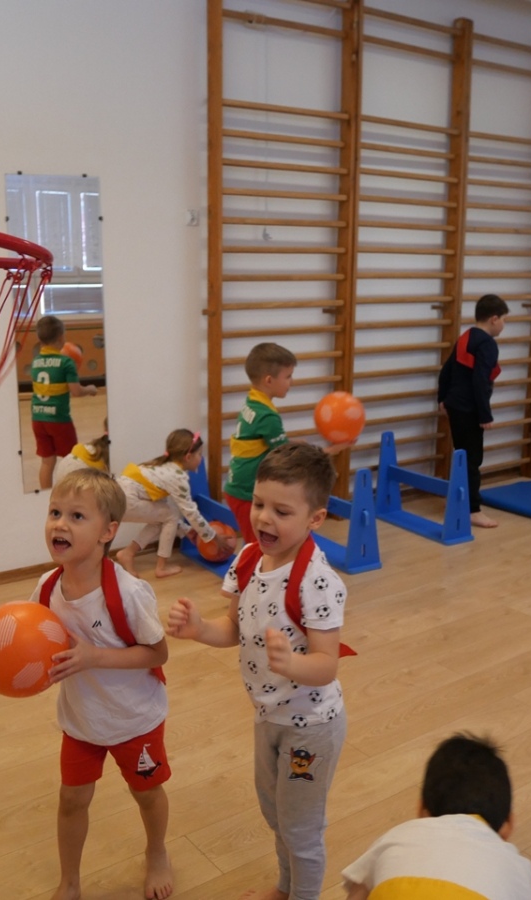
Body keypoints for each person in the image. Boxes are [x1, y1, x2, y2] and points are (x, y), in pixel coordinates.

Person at [169, 442, 348, 900]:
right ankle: (286, 888)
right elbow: (232, 627)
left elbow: (327, 665)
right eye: (259, 504)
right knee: (275, 815)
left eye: (282, 511)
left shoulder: (318, 581)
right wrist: (199, 629)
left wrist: (293, 663)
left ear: (315, 519)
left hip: (312, 726)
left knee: (301, 827)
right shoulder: (248, 559)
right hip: (268, 715)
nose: (264, 518)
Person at [34, 468, 173, 900]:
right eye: (55, 512)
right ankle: (70, 881)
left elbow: (157, 653)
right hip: (81, 721)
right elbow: (39, 644)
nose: (60, 523)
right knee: (71, 800)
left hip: (135, 719)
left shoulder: (130, 593)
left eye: (77, 516)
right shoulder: (46, 588)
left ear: (107, 532)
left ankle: (157, 852)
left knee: (146, 793)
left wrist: (94, 656)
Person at [341, 733, 531, 899]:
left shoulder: (398, 837)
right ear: (509, 824)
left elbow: (358, 892)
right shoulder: (518, 869)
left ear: (422, 810)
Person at [223, 342, 350, 543]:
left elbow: (263, 443)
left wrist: (290, 442)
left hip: (238, 488)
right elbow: (290, 458)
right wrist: (333, 449)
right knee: (258, 546)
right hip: (247, 494)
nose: (292, 382)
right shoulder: (268, 417)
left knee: (260, 544)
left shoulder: (253, 402)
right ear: (269, 380)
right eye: (288, 376)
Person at [115, 428, 235, 579]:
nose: (201, 458)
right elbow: (191, 513)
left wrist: (185, 529)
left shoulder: (164, 467)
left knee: (165, 516)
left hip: (120, 497)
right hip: (125, 500)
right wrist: (214, 537)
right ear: (188, 457)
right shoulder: (177, 477)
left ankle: (128, 553)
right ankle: (161, 568)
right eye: (199, 454)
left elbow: (163, 508)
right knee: (170, 515)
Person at [436, 294, 509, 529]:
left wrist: (443, 398)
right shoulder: (487, 344)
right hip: (469, 408)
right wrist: (485, 414)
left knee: (461, 455)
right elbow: (480, 380)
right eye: (504, 320)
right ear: (494, 319)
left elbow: (447, 370)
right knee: (472, 459)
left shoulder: (466, 337)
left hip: (456, 405)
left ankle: (456, 500)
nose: (503, 325)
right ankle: (473, 510)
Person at [31, 315, 99, 491]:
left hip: (38, 418)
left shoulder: (36, 362)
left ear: (39, 338)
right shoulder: (66, 362)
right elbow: (76, 392)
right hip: (58, 420)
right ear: (62, 337)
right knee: (71, 459)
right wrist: (90, 389)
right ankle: (70, 494)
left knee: (47, 462)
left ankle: (46, 495)